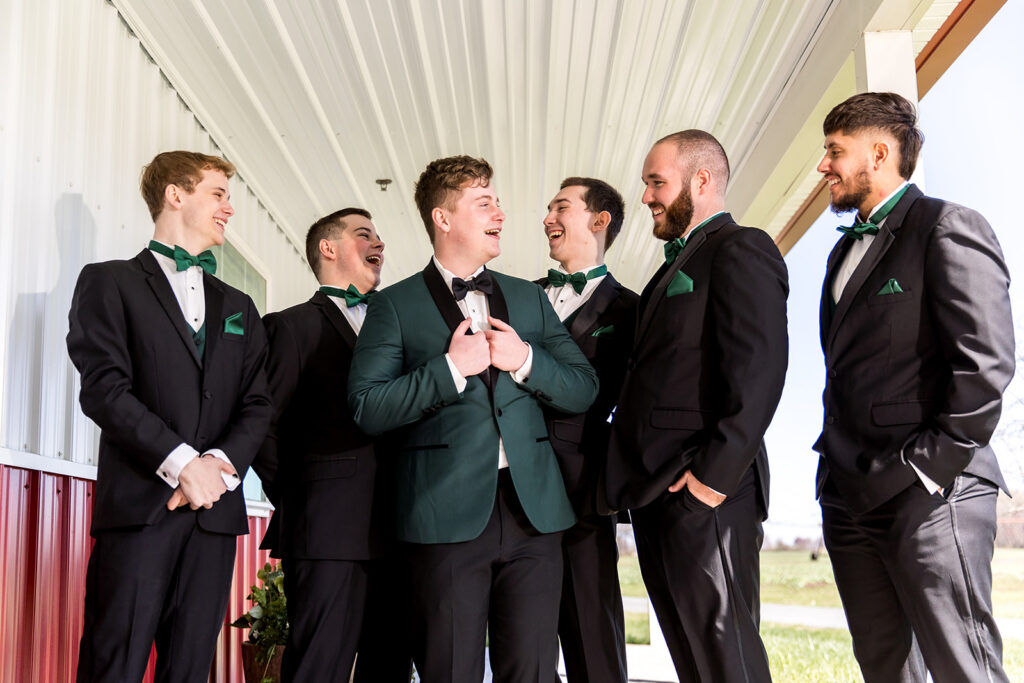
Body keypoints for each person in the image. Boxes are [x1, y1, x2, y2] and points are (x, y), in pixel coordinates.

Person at [348, 155, 598, 683]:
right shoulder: (393, 306)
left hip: (535, 515)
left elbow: (583, 389)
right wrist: (448, 371)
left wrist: (525, 360)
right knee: (450, 670)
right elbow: (367, 407)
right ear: (443, 218)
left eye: (498, 202)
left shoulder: (531, 298)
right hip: (444, 516)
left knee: (531, 672)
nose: (501, 213)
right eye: (484, 202)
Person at [814, 91, 1013, 682]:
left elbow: (985, 365)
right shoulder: (839, 254)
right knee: (884, 667)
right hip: (849, 497)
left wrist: (928, 468)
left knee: (962, 667)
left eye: (834, 151)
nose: (824, 165)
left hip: (932, 493)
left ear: (879, 153)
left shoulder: (948, 227)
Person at [67, 150, 272, 682]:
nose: (230, 208)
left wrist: (217, 468)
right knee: (114, 664)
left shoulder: (239, 307)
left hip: (214, 520)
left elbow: (258, 404)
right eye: (219, 193)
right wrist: (184, 466)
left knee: (188, 670)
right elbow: (105, 391)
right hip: (141, 510)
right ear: (175, 195)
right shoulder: (108, 282)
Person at [605, 130, 788, 682]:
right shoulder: (670, 268)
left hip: (706, 493)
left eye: (656, 182)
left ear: (701, 180)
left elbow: (758, 371)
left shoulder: (740, 247)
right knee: (691, 660)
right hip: (658, 494)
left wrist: (712, 481)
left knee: (725, 659)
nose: (645, 198)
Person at [252, 208, 411, 682]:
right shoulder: (290, 326)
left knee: (391, 666)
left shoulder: (400, 325)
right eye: (365, 234)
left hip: (403, 528)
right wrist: (303, 494)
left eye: (379, 236)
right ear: (329, 248)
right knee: (319, 666)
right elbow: (263, 424)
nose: (378, 244)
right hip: (325, 528)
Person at [537, 177, 636, 683]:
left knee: (591, 636)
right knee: (522, 639)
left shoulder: (633, 310)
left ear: (600, 222)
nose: (548, 218)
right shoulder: (517, 298)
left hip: (584, 493)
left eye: (562, 208)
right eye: (549, 208)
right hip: (510, 489)